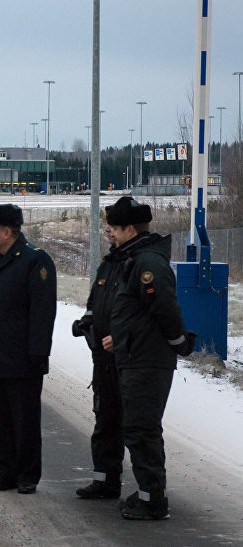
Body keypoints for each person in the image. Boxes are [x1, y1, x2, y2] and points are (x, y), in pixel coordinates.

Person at [103, 196, 195, 520]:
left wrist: (179, 342)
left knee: (141, 429)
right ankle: (148, 493)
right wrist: (122, 337)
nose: (109, 233)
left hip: (147, 362)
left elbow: (165, 309)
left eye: (113, 227)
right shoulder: (135, 258)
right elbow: (141, 314)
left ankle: (153, 501)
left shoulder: (147, 264)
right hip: (136, 355)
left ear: (130, 228)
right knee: (139, 428)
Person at [0, 203, 56, 495]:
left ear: (8, 231)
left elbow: (43, 313)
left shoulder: (35, 261)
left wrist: (38, 353)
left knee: (25, 419)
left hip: (22, 357)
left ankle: (28, 475)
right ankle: (4, 471)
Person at [71, 224, 125, 499]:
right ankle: (104, 480)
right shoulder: (108, 265)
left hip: (130, 360)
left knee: (134, 426)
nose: (107, 232)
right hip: (102, 358)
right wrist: (87, 321)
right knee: (104, 420)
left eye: (113, 228)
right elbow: (96, 302)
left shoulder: (138, 264)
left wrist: (120, 336)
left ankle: (151, 491)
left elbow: (148, 312)